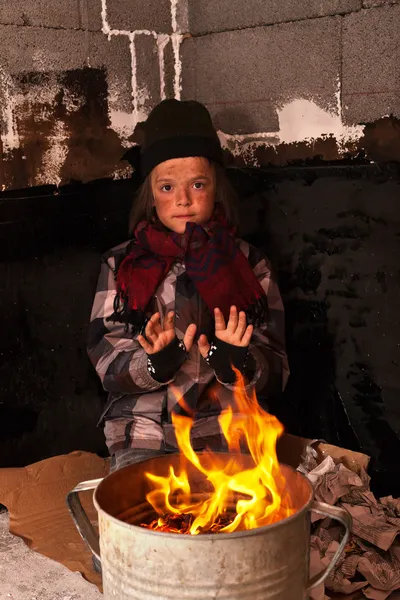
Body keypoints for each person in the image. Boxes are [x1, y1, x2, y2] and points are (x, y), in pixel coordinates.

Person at [87, 99, 289, 472]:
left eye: (197, 184)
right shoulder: (120, 264)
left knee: (238, 522)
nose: (182, 199)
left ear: (216, 189)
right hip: (143, 432)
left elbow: (278, 367)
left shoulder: (249, 263)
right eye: (166, 187)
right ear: (150, 195)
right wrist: (153, 365)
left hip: (228, 433)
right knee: (138, 521)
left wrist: (238, 364)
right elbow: (104, 355)